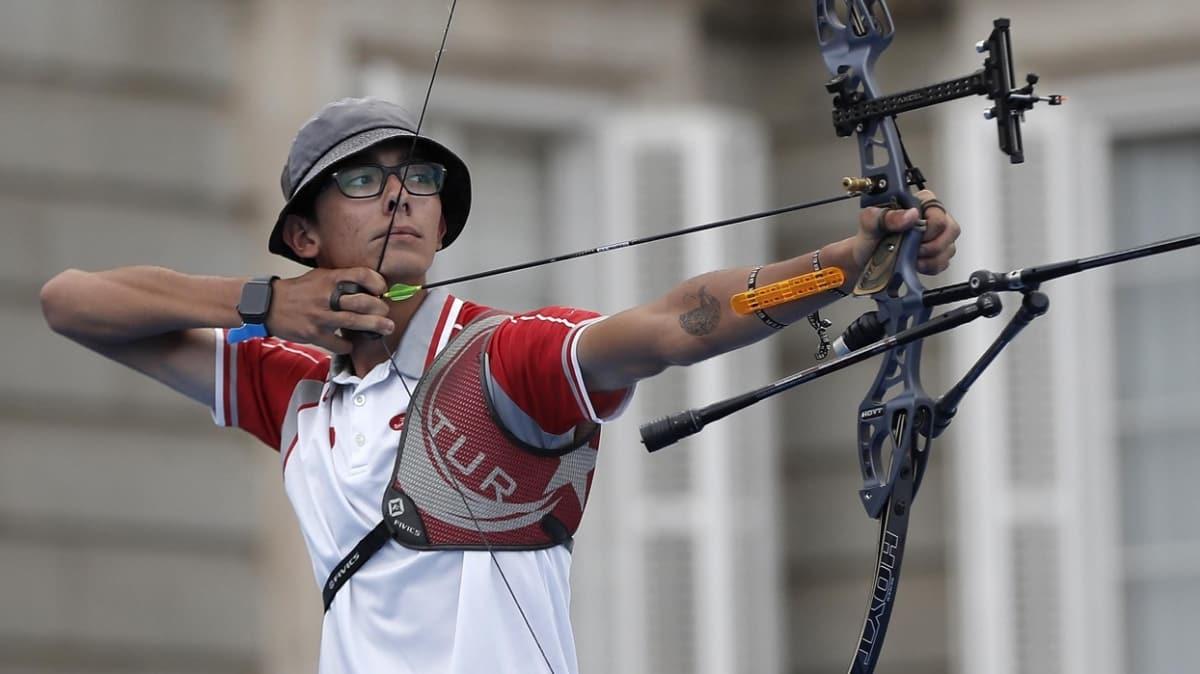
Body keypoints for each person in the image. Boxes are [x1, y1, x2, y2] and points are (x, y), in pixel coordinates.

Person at [39, 97, 960, 673]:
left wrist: (842, 266)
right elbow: (70, 302)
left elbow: (682, 322)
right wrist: (262, 303)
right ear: (304, 236)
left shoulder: (503, 359)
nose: (400, 197)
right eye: (363, 180)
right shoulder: (297, 391)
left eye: (421, 180)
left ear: (443, 222)